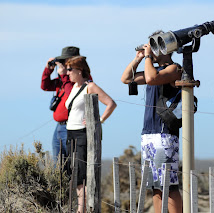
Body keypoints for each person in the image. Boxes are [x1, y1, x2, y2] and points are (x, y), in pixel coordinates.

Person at [121, 30, 182, 213]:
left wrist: (148, 57)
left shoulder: (174, 68)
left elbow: (151, 78)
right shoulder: (152, 68)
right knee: (155, 185)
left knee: (169, 186)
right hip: (149, 133)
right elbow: (126, 78)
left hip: (165, 135)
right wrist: (139, 58)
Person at [65, 56, 117, 213]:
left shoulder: (90, 86)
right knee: (72, 171)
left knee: (82, 171)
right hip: (70, 133)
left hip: (82, 134)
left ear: (79, 71)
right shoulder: (73, 87)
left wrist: (98, 120)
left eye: (70, 70)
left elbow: (111, 103)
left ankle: (82, 209)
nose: (67, 73)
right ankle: (80, 207)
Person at [41, 46, 80, 164]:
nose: (64, 65)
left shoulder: (80, 78)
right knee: (58, 164)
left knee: (70, 163)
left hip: (71, 126)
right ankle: (59, 182)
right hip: (59, 126)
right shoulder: (62, 80)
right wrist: (48, 70)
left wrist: (64, 75)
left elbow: (71, 95)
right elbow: (45, 86)